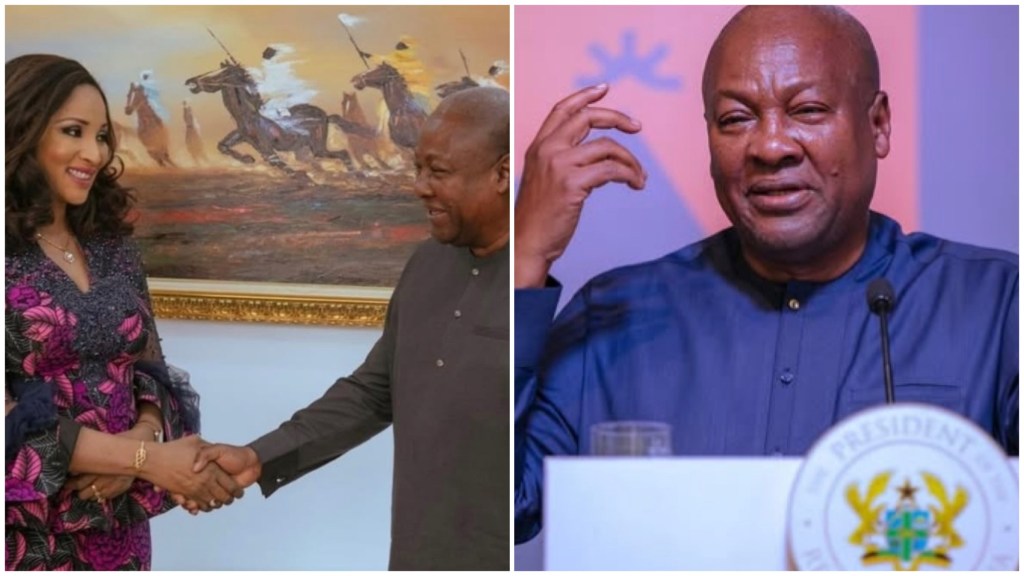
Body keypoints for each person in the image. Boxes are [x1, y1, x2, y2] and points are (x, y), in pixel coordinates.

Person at [513, 6, 1018, 543]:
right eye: (736, 119)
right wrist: (523, 258)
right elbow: (504, 506)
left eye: (807, 110)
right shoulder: (612, 315)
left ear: (878, 125)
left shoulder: (998, 306)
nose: (771, 146)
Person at [192, 86, 511, 570]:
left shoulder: (551, 285)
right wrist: (260, 456)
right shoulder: (427, 263)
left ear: (503, 173)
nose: (420, 186)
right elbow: (374, 392)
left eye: (439, 172)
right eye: (418, 168)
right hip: (419, 553)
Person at [5, 54, 243, 570]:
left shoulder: (112, 246)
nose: (94, 152)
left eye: (103, 135)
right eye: (74, 131)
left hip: (117, 521)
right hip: (24, 526)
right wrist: (148, 461)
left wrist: (142, 439)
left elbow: (150, 366)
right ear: (21, 132)